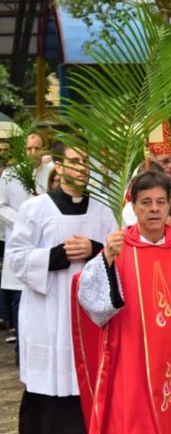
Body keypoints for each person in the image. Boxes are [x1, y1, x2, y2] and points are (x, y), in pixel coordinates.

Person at [73, 170, 171, 433]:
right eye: (146, 202)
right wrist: (105, 261)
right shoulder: (119, 248)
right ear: (133, 206)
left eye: (160, 202)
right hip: (133, 357)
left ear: (169, 205)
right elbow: (88, 297)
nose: (154, 209)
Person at [6, 140, 115, 434]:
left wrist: (94, 249)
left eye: (86, 162)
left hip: (87, 315)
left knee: (85, 381)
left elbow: (119, 256)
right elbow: (15, 258)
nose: (82, 168)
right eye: (75, 161)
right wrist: (56, 256)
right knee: (48, 387)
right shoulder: (35, 208)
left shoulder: (102, 211)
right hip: (47, 311)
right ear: (60, 165)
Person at [0, 133, 54, 346]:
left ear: (44, 148)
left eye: (37, 148)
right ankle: (21, 349)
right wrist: (24, 221)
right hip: (19, 238)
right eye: (29, 148)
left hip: (46, 241)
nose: (33, 152)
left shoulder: (52, 172)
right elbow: (1, 206)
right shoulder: (10, 175)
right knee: (19, 296)